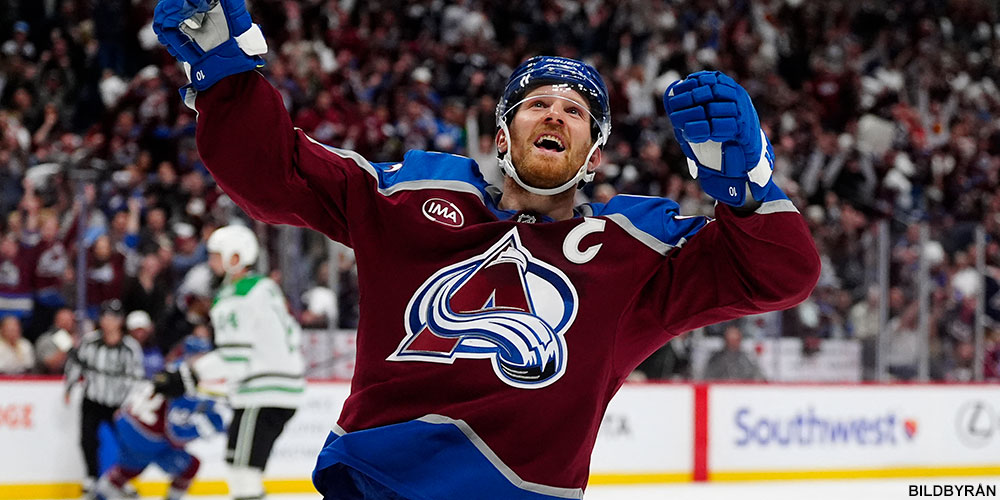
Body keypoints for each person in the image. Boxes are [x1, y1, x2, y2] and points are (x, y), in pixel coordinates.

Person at [153, 2, 820, 498]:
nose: (555, 114)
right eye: (536, 104)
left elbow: (782, 274)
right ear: (502, 137)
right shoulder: (410, 196)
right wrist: (226, 78)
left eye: (576, 112)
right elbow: (273, 173)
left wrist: (749, 188)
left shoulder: (637, 250)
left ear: (593, 157)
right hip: (376, 484)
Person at [189, 224, 305, 500]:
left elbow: (235, 359)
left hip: (261, 393)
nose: (211, 261)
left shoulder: (236, 296)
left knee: (243, 472)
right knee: (242, 468)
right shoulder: (265, 287)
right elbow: (293, 333)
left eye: (216, 255)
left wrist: (188, 374)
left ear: (235, 257)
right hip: (275, 391)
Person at [88, 364, 225, 500]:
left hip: (125, 423)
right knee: (191, 466)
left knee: (129, 467)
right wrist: (205, 426)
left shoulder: (162, 378)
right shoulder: (179, 391)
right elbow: (176, 434)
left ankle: (101, 494)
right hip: (148, 438)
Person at [65, 299, 145, 494]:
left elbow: (136, 379)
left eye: (114, 317)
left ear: (121, 320)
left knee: (125, 443)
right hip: (92, 398)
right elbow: (76, 365)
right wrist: (69, 387)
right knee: (87, 440)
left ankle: (122, 479)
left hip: (119, 403)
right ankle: (91, 477)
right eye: (106, 317)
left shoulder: (130, 347)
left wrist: (127, 405)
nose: (109, 321)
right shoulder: (90, 341)